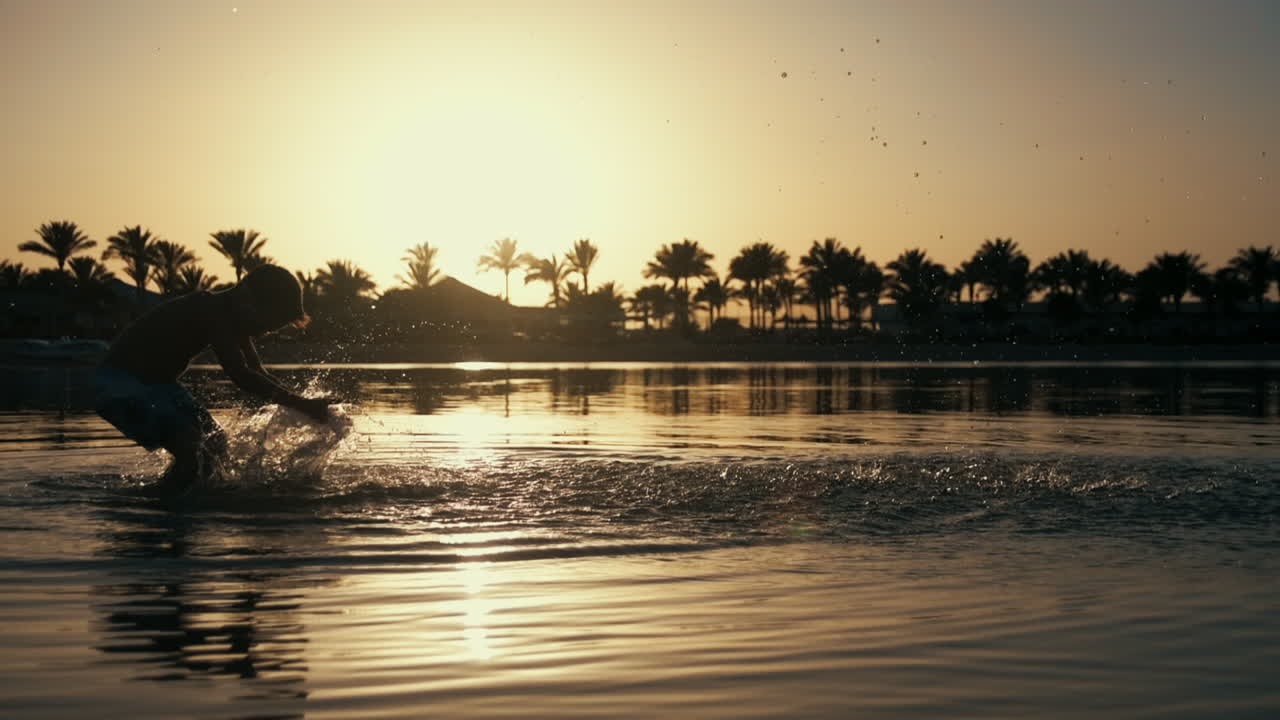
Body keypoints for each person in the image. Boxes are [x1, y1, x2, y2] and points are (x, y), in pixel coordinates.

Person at [95, 264, 331, 494]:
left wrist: (304, 403)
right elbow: (240, 375)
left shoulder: (231, 315)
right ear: (247, 299)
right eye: (266, 323)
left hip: (159, 385)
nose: (264, 332)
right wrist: (302, 404)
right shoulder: (211, 310)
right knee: (193, 454)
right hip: (120, 385)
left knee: (215, 444)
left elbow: (257, 371)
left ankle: (177, 505)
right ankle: (151, 509)